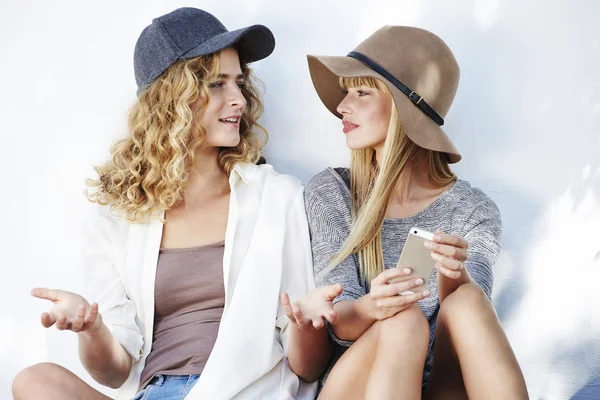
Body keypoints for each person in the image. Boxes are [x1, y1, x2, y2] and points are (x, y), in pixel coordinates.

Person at [12, 8, 338, 400]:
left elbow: (306, 367)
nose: (239, 100)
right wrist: (91, 329)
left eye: (239, 83)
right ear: (171, 99)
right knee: (35, 381)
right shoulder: (117, 214)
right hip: (155, 392)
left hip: (245, 393)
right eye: (217, 85)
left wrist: (307, 323)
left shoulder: (277, 196)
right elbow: (114, 374)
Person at [304, 26, 529, 399]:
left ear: (403, 109)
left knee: (470, 301)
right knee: (403, 320)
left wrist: (454, 277)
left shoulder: (474, 210)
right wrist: (372, 306)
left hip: (439, 385)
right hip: (357, 385)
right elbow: (336, 323)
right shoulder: (333, 192)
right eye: (347, 93)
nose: (343, 106)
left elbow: (466, 335)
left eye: (361, 92)